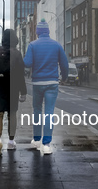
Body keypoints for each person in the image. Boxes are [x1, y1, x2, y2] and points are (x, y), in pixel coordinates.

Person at [23, 19, 68, 155]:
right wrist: (64, 78)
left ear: (37, 32)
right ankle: (46, 144)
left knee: (37, 110)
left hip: (37, 83)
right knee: (49, 112)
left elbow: (28, 63)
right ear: (48, 31)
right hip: (52, 83)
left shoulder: (32, 45)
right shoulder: (57, 45)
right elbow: (64, 64)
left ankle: (36, 140)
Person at [0, 29, 27, 156]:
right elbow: (21, 74)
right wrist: (23, 92)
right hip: (12, 88)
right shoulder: (17, 53)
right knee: (12, 114)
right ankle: (11, 141)